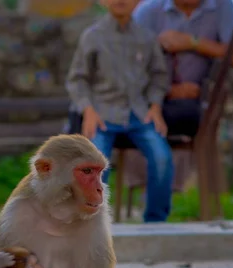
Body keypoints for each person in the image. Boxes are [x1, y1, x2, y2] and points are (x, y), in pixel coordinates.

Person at [66, 0, 173, 223]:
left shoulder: (146, 37)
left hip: (139, 113)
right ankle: (91, 223)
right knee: (93, 165)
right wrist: (88, 110)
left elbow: (159, 76)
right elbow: (77, 79)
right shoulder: (93, 36)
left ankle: (155, 222)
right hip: (103, 113)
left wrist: (155, 106)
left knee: (162, 158)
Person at [131, 0, 233, 190]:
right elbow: (126, 69)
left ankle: (173, 189)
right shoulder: (148, 10)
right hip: (154, 101)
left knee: (184, 115)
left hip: (195, 106)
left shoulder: (222, 6)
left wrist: (192, 42)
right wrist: (168, 91)